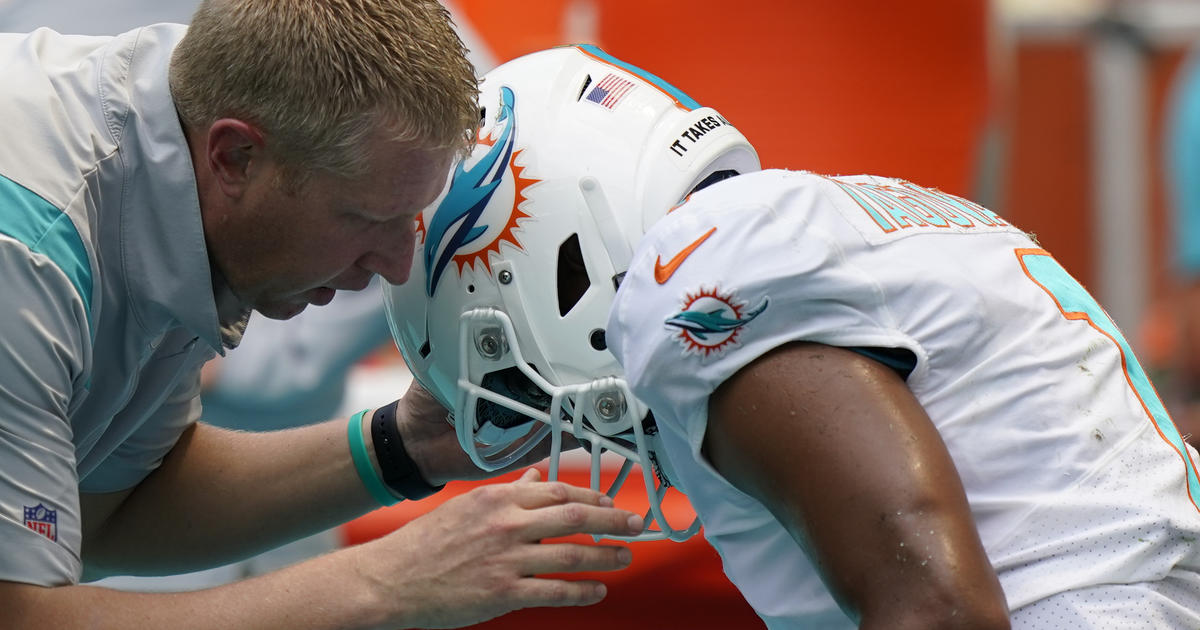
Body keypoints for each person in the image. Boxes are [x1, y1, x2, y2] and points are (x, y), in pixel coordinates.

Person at [386, 46, 1200, 629]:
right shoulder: (838, 215)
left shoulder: (696, 272)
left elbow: (936, 609)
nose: (550, 418)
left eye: (502, 366)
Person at [0, 2, 648, 628]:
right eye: (367, 218)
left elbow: (110, 511)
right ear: (234, 157)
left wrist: (406, 445)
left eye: (411, 221)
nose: (397, 266)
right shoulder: (27, 253)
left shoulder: (180, 132)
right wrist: (383, 583)